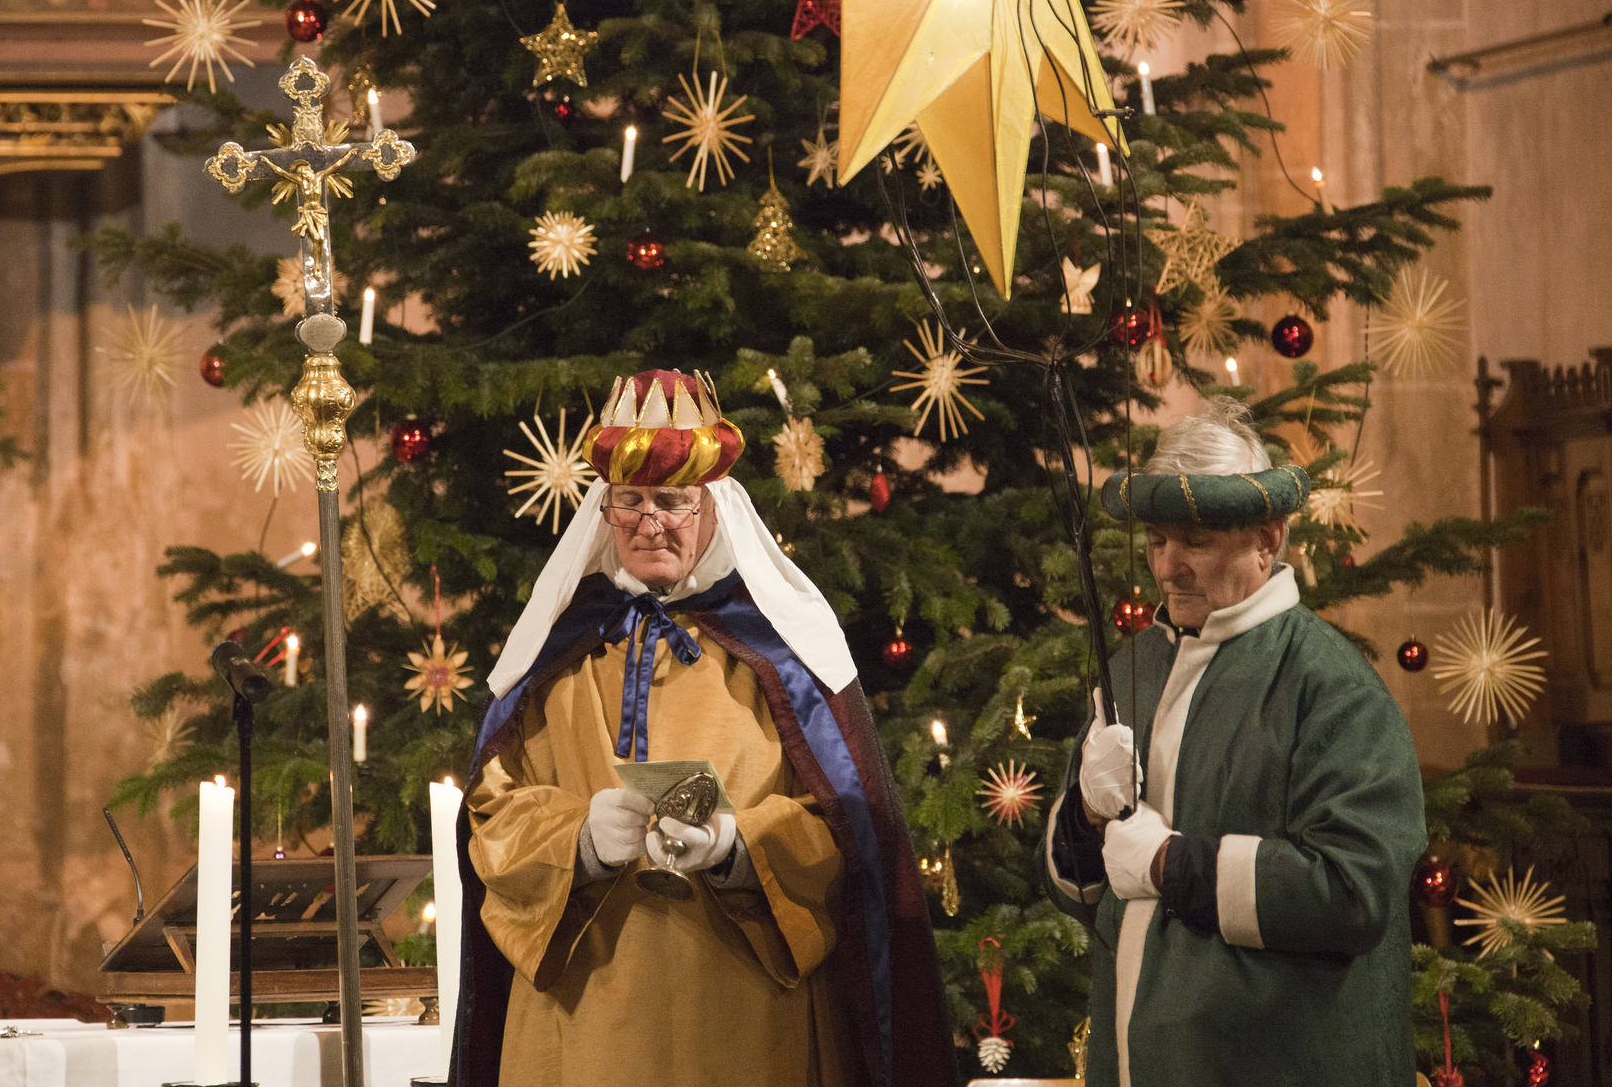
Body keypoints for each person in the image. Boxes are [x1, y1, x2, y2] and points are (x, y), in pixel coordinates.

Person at [452, 368, 953, 1087]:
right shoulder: (555, 651)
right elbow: (492, 816)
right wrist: (578, 842)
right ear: (603, 508)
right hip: (582, 1021)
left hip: (745, 1020)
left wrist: (737, 847)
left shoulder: (787, 652)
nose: (649, 522)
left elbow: (849, 830)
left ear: (715, 507)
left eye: (673, 501)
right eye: (629, 501)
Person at [1044, 398, 1426, 1087]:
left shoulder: (1331, 686)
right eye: (1156, 540)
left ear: (1266, 540)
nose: (1167, 568)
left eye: (1193, 541)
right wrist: (1086, 814)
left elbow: (1356, 890)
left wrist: (1170, 864)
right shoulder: (1135, 667)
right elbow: (1079, 890)